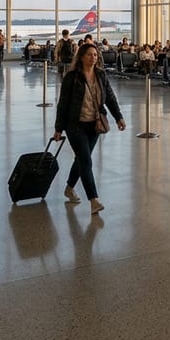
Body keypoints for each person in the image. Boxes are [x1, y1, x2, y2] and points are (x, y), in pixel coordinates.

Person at [52, 42, 126, 214]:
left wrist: (118, 117)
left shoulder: (100, 75)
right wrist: (58, 128)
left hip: (95, 124)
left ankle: (69, 188)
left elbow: (110, 98)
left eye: (95, 55)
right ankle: (94, 200)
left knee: (81, 159)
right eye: (89, 55)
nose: (93, 57)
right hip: (74, 124)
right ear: (82, 57)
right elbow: (63, 104)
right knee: (86, 160)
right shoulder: (72, 77)